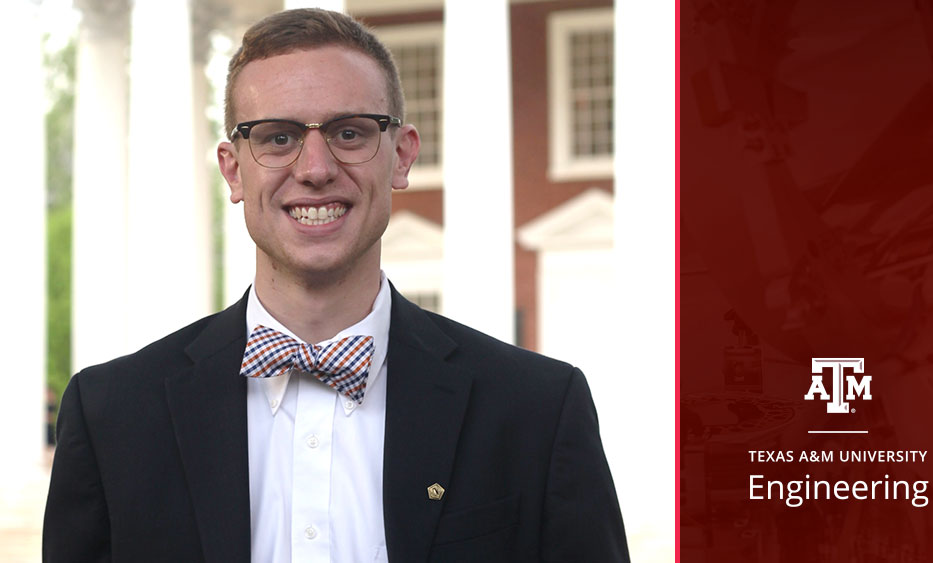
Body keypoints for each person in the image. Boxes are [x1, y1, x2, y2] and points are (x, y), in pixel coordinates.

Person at [43, 8, 628, 563]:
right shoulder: (111, 417)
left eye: (349, 133)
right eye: (277, 137)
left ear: (401, 157)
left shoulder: (538, 410)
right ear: (232, 168)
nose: (316, 168)